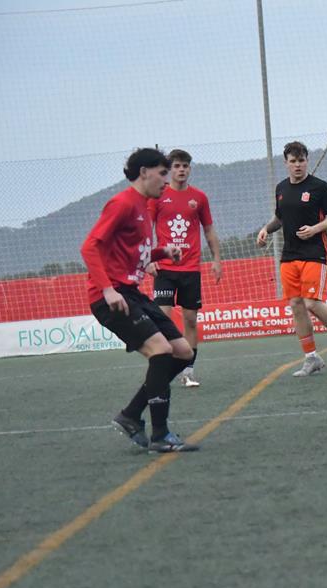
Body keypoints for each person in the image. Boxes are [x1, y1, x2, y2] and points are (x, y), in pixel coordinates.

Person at [82, 148, 198, 452]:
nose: (167, 180)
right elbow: (90, 247)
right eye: (162, 173)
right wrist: (107, 289)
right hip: (112, 297)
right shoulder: (121, 203)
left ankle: (131, 415)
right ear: (144, 172)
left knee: (183, 352)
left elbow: (134, 253)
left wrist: (162, 252)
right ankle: (160, 435)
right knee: (161, 351)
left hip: (132, 293)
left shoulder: (145, 206)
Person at [257, 141, 327, 376]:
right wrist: (265, 229)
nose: (298, 165)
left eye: (301, 160)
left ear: (307, 161)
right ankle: (311, 357)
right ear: (286, 163)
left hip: (314, 252)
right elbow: (280, 218)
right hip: (289, 255)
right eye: (293, 161)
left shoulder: (319, 187)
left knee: (312, 302)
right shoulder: (281, 188)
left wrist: (315, 229)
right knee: (296, 305)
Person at [146, 149, 221, 387]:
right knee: (162, 320)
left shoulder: (199, 197)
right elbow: (146, 228)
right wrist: (148, 259)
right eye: (177, 166)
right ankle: (163, 368)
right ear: (170, 170)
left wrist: (216, 259)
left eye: (185, 166)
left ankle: (188, 370)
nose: (181, 170)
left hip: (190, 269)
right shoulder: (158, 196)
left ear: (190, 169)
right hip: (164, 269)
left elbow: (208, 229)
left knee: (190, 320)